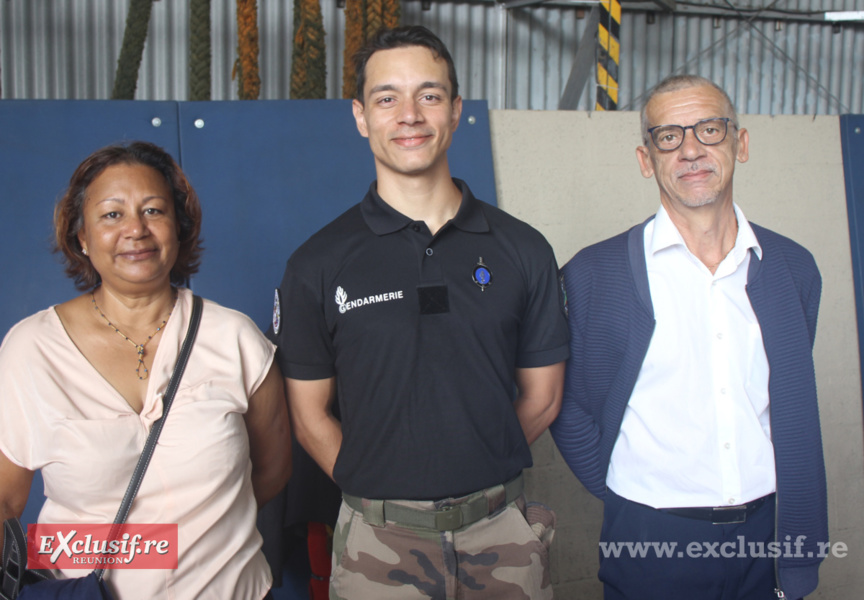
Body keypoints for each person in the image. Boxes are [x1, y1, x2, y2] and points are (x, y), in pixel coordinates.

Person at [268, 25, 568, 599]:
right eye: (387, 98)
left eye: (429, 95)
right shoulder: (317, 263)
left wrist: (474, 468)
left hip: (504, 537)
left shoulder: (523, 249)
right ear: (361, 116)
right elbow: (307, 417)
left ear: (455, 111)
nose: (409, 114)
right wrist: (384, 491)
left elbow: (544, 397)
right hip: (376, 549)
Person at [550, 74, 827, 600]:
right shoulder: (591, 275)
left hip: (767, 533)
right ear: (646, 159)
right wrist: (618, 489)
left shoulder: (793, 268)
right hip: (650, 534)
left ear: (740, 144)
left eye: (710, 129)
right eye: (669, 136)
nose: (691, 149)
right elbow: (565, 402)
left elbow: (785, 389)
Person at [0, 141, 292, 599]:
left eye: (153, 210)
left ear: (179, 227)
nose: (135, 229)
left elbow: (271, 470)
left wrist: (202, 537)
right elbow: (4, 499)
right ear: (81, 236)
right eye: (112, 214)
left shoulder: (235, 338)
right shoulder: (31, 348)